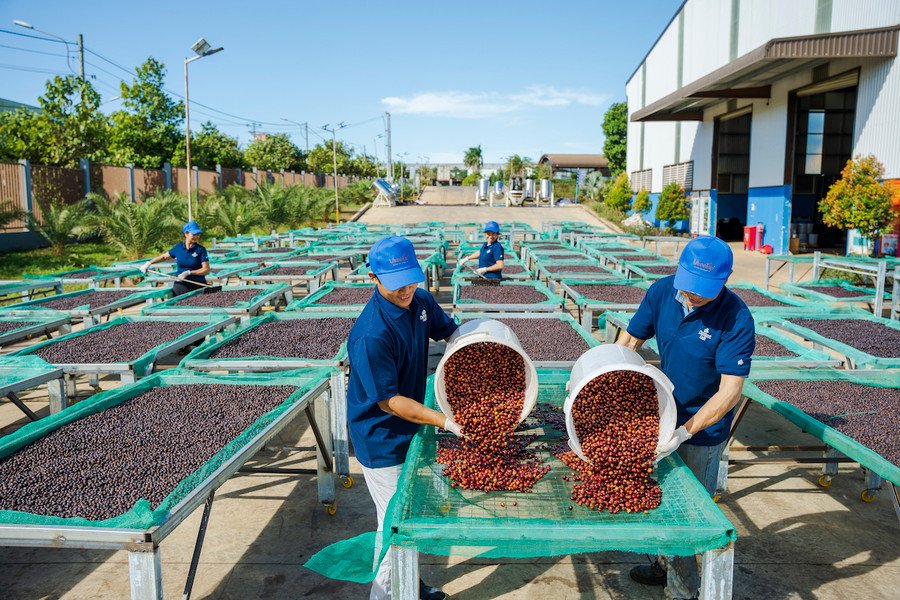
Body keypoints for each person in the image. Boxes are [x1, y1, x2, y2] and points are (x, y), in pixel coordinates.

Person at [615, 235, 755, 600]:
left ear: (724, 281)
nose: (693, 295)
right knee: (661, 498)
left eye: (703, 290)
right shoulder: (662, 292)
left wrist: (684, 432)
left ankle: (683, 590)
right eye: (689, 285)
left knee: (689, 516)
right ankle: (664, 567)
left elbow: (729, 393)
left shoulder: (737, 318)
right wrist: (605, 375)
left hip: (702, 427)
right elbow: (629, 341)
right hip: (661, 413)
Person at [347, 235, 462, 600]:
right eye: (397, 284)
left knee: (411, 514)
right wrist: (446, 421)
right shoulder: (370, 335)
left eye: (411, 279)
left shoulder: (422, 300)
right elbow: (390, 402)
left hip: (412, 427)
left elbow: (450, 333)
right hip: (382, 437)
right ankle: (384, 594)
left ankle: (409, 583)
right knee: (394, 524)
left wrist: (482, 352)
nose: (406, 290)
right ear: (373, 278)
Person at [140, 221, 211, 296]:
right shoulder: (178, 248)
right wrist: (149, 263)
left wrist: (189, 273)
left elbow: (206, 270)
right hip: (181, 283)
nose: (196, 236)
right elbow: (164, 257)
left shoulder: (200, 249)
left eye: (198, 234)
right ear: (186, 234)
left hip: (197, 283)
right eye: (194, 234)